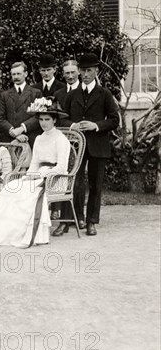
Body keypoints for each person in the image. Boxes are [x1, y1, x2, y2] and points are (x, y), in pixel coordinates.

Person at [0, 98, 71, 248]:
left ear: (54, 120)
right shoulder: (39, 139)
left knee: (26, 193)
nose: (44, 123)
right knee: (11, 187)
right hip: (37, 175)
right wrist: (29, 176)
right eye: (41, 120)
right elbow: (34, 164)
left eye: (47, 119)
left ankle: (26, 233)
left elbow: (61, 167)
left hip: (55, 178)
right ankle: (7, 232)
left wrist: (41, 175)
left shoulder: (61, 139)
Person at [60, 53, 120, 236]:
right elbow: (61, 118)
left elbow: (114, 120)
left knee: (95, 184)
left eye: (89, 70)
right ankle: (78, 217)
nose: (85, 74)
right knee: (76, 182)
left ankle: (91, 220)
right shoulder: (72, 95)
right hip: (76, 146)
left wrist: (96, 125)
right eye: (83, 71)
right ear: (78, 71)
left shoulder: (105, 94)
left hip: (98, 144)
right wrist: (72, 125)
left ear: (96, 71)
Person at [51, 59, 82, 236]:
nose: (70, 76)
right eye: (67, 73)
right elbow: (57, 117)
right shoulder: (59, 93)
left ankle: (79, 216)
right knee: (64, 176)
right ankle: (65, 219)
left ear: (78, 72)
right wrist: (71, 126)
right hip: (63, 140)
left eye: (73, 72)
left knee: (79, 179)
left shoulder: (83, 91)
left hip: (82, 141)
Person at [0, 61, 43, 146]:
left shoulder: (36, 93)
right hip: (10, 137)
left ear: (25, 74)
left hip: (30, 137)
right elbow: (0, 118)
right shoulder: (5, 95)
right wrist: (13, 132)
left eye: (18, 74)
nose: (16, 77)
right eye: (13, 74)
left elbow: (38, 116)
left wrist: (22, 128)